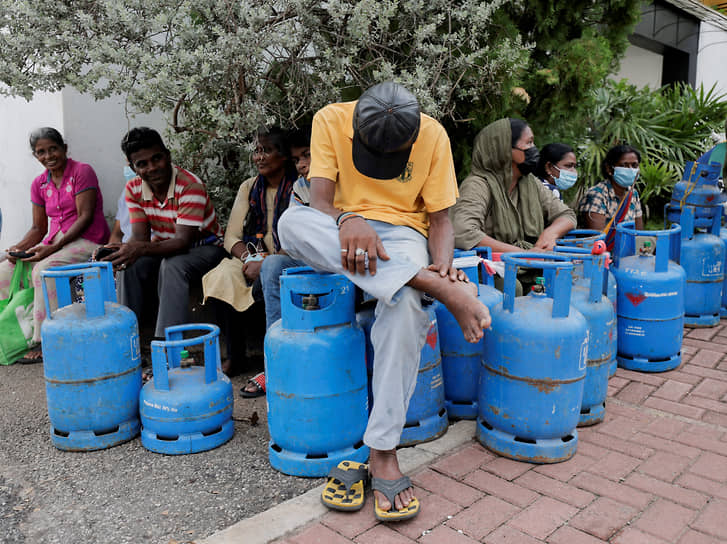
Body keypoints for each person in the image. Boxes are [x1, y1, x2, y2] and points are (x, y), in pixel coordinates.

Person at [278, 82, 491, 521]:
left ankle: (383, 451)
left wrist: (443, 267)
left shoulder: (432, 135)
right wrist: (349, 217)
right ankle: (436, 290)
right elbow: (319, 202)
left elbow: (440, 220)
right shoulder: (330, 119)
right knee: (290, 225)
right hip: (336, 227)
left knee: (408, 307)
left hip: (401, 238)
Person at [102, 127, 226, 341]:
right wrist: (121, 252)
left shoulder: (189, 185)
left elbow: (182, 242)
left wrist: (138, 248)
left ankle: (167, 346)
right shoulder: (134, 188)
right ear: (132, 167)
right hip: (165, 248)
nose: (152, 168)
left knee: (173, 266)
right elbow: (140, 238)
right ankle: (126, 339)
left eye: (157, 158)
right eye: (142, 164)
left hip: (206, 249)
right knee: (128, 264)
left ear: (167, 155)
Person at [0, 128, 109, 363]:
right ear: (35, 155)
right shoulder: (39, 183)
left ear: (64, 148)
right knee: (5, 271)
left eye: (53, 149)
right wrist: (16, 249)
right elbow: (38, 229)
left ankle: (44, 340)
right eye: (41, 152)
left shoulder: (81, 172)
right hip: (55, 243)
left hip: (89, 240)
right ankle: (10, 336)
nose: (48, 155)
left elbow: (85, 217)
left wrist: (51, 248)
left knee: (44, 270)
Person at [202, 127, 298, 377]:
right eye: (256, 151)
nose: (259, 157)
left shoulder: (299, 185)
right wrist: (250, 258)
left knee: (273, 270)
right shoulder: (249, 187)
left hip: (288, 258)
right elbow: (231, 236)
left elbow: (302, 239)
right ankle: (236, 357)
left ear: (284, 155)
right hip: (252, 255)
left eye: (267, 150)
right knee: (223, 274)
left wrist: (265, 262)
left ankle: (277, 363)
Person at [239, 126, 311, 397]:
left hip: (344, 262)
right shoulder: (301, 187)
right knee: (271, 267)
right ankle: (276, 362)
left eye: (307, 156)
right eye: (297, 160)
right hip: (308, 261)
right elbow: (293, 242)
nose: (302, 165)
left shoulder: (345, 180)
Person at [451, 118, 576, 254]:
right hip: (490, 270)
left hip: (530, 267)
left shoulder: (530, 183)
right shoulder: (477, 185)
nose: (534, 149)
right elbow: (463, 232)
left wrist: (550, 234)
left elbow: (567, 215)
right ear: (505, 149)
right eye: (529, 143)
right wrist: (522, 254)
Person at [577, 144, 644, 230]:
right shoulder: (597, 194)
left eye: (634, 165)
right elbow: (598, 237)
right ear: (609, 169)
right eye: (624, 165)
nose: (630, 169)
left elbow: (638, 232)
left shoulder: (633, 194)